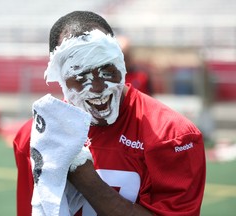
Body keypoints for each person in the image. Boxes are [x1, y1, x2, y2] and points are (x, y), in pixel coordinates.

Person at [13, 11, 206, 216]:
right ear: (59, 77)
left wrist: (85, 178)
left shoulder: (172, 136)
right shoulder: (35, 136)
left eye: (107, 70)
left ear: (121, 64)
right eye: (81, 76)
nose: (98, 87)